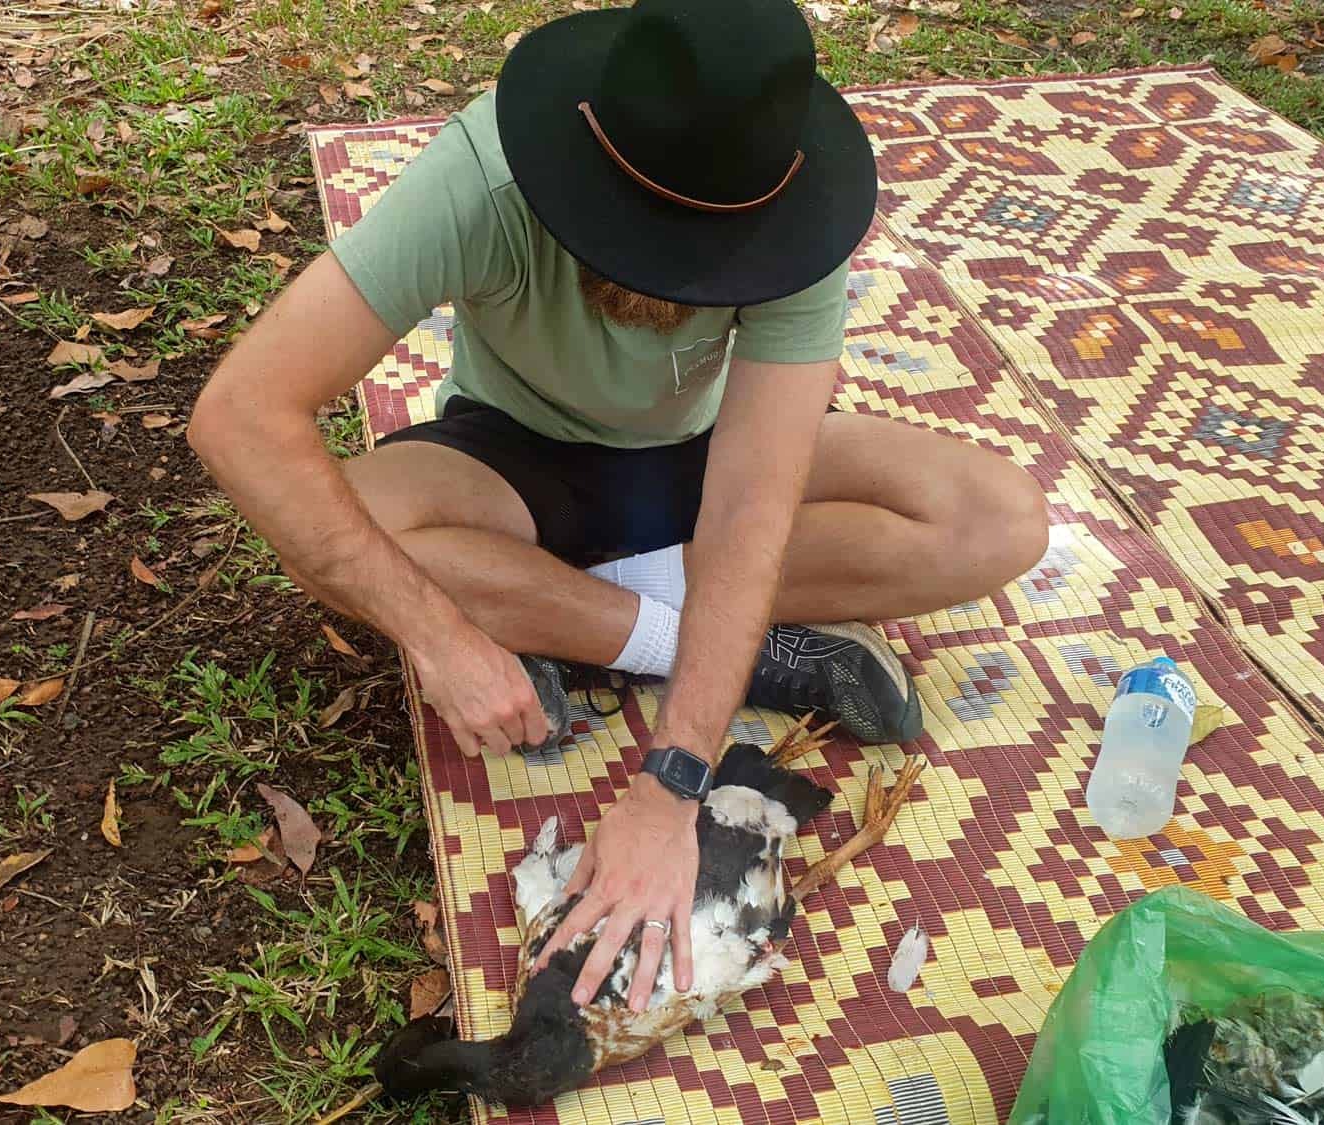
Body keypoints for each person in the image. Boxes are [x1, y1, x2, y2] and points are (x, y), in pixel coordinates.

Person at [190, 0, 1046, 1023]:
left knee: (996, 519)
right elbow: (240, 417)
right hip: (515, 462)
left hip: (704, 457)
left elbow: (749, 508)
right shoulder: (481, 174)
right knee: (336, 524)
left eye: (707, 251)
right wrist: (440, 637)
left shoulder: (796, 206)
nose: (668, 276)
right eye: (636, 237)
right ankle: (702, 643)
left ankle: (576, 610)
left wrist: (672, 782)